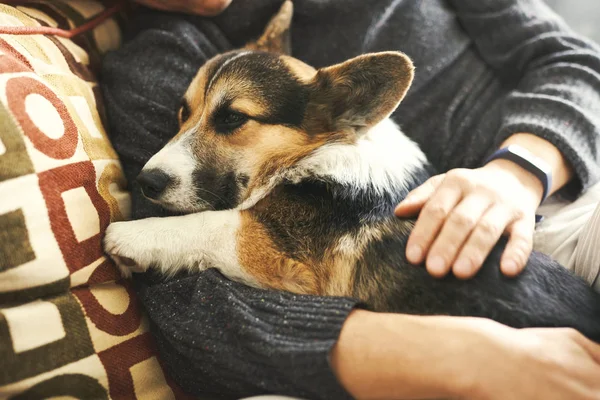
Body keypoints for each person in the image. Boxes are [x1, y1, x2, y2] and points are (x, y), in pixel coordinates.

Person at [101, 0, 600, 399]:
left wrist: (516, 173)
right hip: (413, 291)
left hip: (573, 202)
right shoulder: (161, 60)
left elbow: (576, 63)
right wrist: (458, 356)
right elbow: (184, 300)